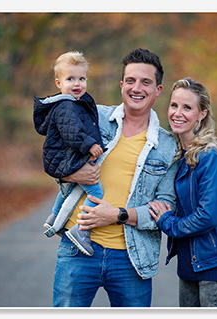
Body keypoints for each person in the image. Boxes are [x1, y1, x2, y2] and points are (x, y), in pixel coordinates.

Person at [52, 48, 178, 307]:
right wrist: (75, 173)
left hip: (132, 259)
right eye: (130, 80)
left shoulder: (168, 146)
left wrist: (117, 215)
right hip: (77, 249)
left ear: (158, 90)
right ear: (122, 85)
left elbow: (165, 209)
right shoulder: (93, 117)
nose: (136, 88)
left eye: (145, 82)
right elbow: (55, 157)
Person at [148, 77, 217, 307]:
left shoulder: (210, 157)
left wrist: (167, 222)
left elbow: (208, 216)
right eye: (174, 105)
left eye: (187, 108)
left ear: (202, 114)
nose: (177, 113)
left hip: (216, 263)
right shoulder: (178, 156)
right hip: (189, 263)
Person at [33, 51, 105, 256]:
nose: (77, 84)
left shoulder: (74, 103)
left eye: (82, 79)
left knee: (70, 187)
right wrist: (90, 145)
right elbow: (72, 133)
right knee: (96, 193)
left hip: (63, 157)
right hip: (65, 157)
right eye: (70, 79)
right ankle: (81, 230)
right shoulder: (66, 106)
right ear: (58, 83)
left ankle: (54, 217)